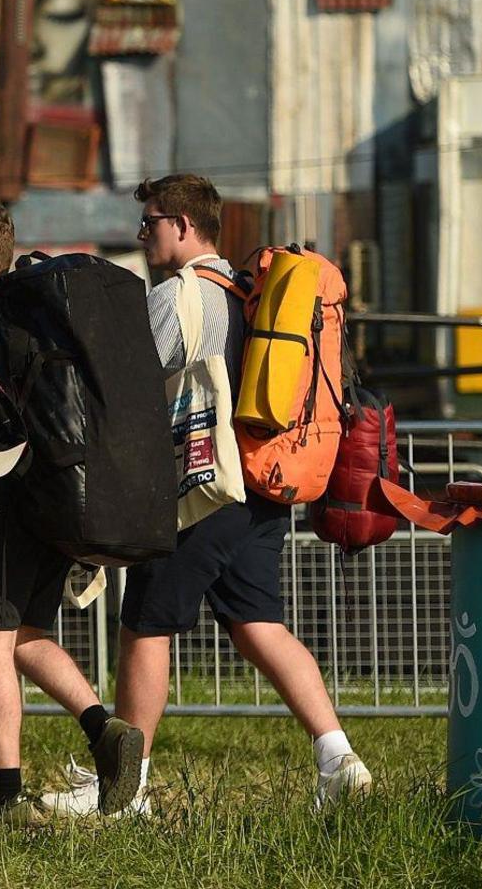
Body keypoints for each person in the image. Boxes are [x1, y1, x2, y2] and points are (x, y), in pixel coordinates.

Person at [87, 174, 372, 814]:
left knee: (144, 627)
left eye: (151, 221)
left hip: (204, 488)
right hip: (262, 483)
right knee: (258, 623)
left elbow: (126, 386)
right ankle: (339, 760)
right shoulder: (248, 292)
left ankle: (124, 791)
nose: (142, 234)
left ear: (184, 226)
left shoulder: (179, 295)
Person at [0, 197, 144, 827]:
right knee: (25, 633)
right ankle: (105, 730)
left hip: (3, 502)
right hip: (56, 495)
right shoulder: (40, 309)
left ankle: (4, 792)